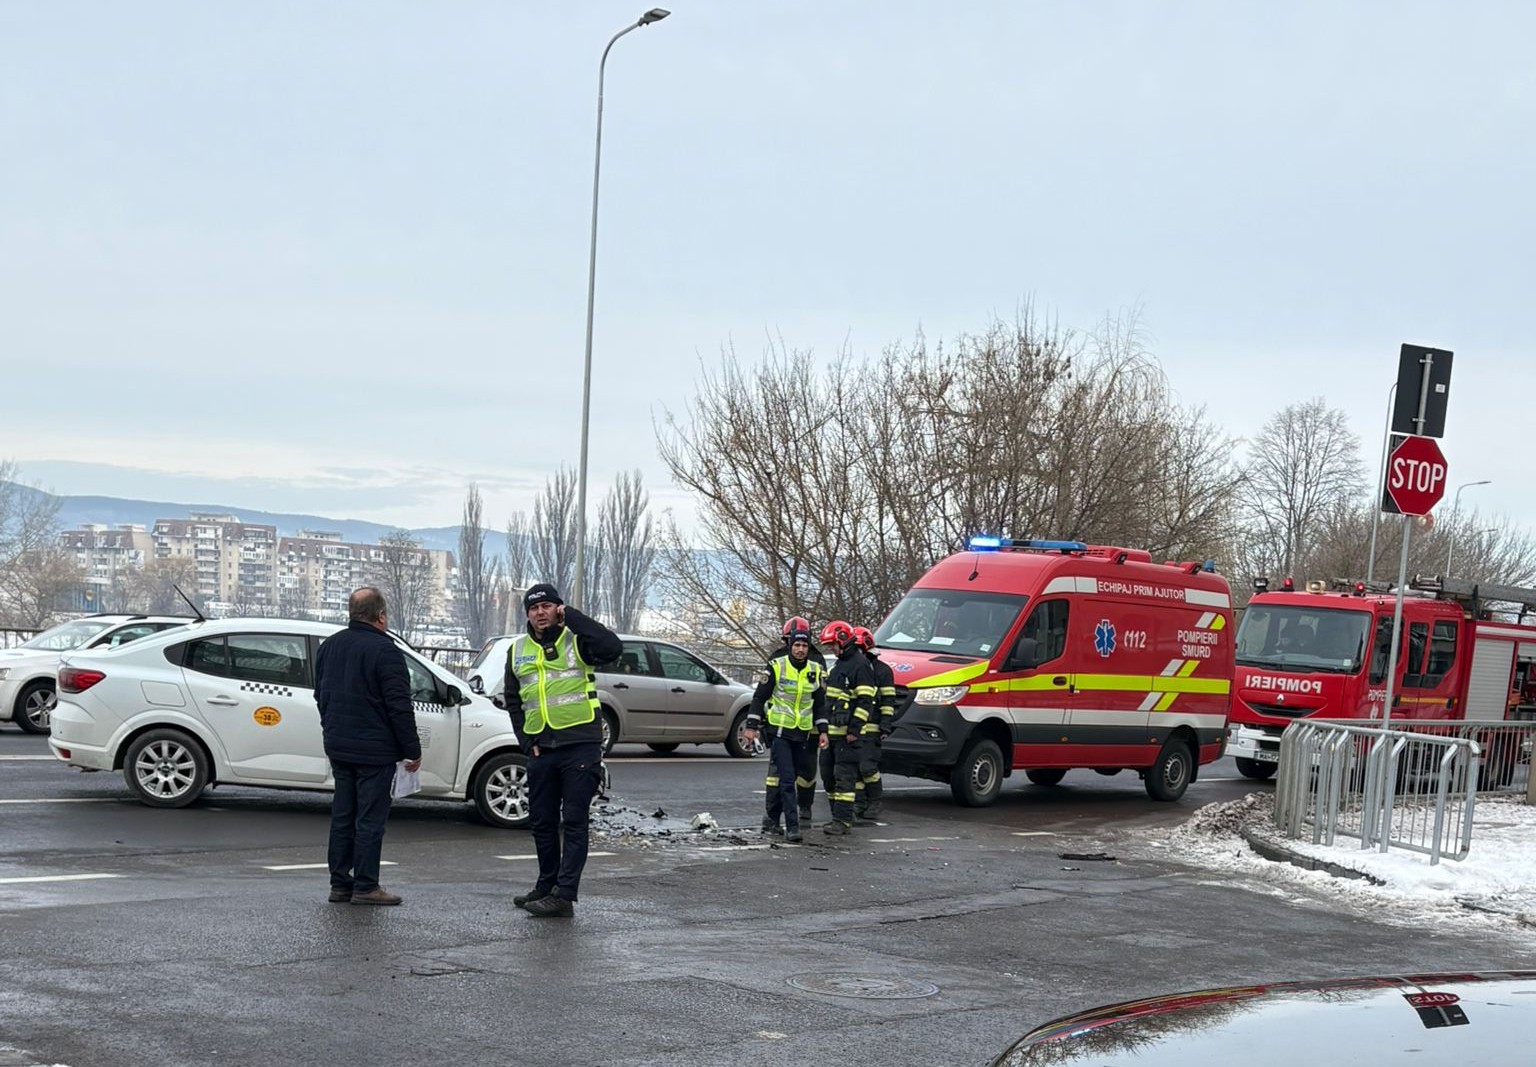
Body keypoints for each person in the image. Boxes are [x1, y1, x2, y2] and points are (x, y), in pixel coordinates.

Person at [498, 582, 622, 918]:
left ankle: (564, 895)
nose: (540, 613)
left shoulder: (577, 640)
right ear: (528, 613)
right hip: (541, 747)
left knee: (575, 821)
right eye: (534, 608)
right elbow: (513, 701)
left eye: (547, 606)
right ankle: (546, 884)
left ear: (558, 609)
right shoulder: (518, 649)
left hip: (579, 744)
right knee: (541, 821)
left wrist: (574, 618)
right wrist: (527, 742)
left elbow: (612, 647)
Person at [314, 586, 422, 906]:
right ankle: (366, 885)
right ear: (381, 616)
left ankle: (339, 885)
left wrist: (330, 729)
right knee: (370, 820)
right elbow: (398, 706)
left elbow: (321, 695)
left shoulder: (329, 646)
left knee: (343, 816)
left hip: (339, 745)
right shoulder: (385, 651)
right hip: (375, 752)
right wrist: (411, 750)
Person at [743, 617, 828, 843]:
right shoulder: (777, 663)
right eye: (796, 645)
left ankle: (784, 816)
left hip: (803, 732)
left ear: (808, 646)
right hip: (779, 730)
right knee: (786, 778)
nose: (800, 649)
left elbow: (820, 703)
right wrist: (753, 726)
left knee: (799, 775)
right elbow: (760, 696)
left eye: (804, 645)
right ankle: (790, 825)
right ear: (789, 644)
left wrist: (823, 730)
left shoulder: (816, 667)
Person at [817, 619, 877, 835]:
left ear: (843, 639)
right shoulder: (840, 665)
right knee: (828, 776)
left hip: (847, 737)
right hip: (832, 734)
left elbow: (865, 701)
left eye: (832, 644)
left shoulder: (860, 665)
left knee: (844, 779)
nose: (831, 649)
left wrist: (854, 730)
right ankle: (838, 816)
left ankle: (842, 821)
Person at [852, 625, 896, 821]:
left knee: (867, 767)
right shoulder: (853, 668)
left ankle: (875, 801)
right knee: (854, 768)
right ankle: (860, 802)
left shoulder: (882, 671)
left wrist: (885, 724)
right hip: (854, 727)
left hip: (873, 727)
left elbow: (888, 701)